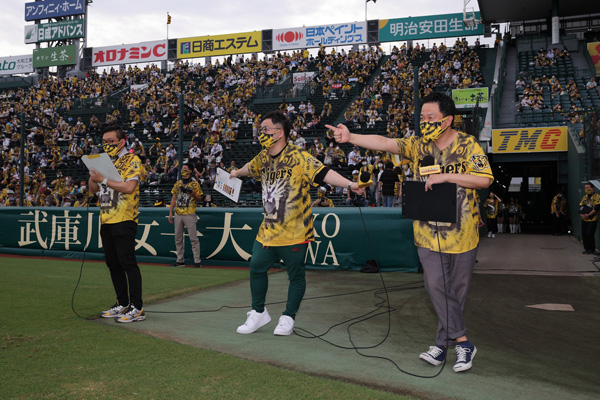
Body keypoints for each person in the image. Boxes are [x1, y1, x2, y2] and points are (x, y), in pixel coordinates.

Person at [327, 92, 493, 373]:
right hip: (426, 231)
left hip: (463, 231)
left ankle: (442, 345)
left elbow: (484, 179)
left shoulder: (468, 144)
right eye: (422, 117)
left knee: (456, 292)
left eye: (431, 117)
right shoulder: (417, 144)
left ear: (447, 120)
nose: (424, 122)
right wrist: (351, 136)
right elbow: (385, 143)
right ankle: (463, 342)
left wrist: (446, 176)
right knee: (435, 286)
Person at [230, 110, 363, 336]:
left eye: (265, 129)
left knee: (296, 276)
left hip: (295, 231)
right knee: (256, 267)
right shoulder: (263, 157)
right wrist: (235, 173)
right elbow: (248, 168)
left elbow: (324, 173)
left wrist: (350, 185)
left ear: (280, 133)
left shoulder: (298, 156)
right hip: (268, 230)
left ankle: (288, 316)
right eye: (260, 130)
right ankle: (258, 312)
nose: (261, 133)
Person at [88, 124, 145, 323]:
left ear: (122, 142)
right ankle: (122, 303)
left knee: (127, 262)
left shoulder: (132, 159)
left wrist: (103, 179)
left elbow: (129, 187)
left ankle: (137, 307)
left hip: (125, 217)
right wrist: (94, 175)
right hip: (106, 218)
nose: (107, 145)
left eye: (111, 141)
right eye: (104, 142)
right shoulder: (106, 161)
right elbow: (93, 190)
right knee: (113, 264)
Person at [168, 163, 203, 268]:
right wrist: (170, 212)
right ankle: (180, 260)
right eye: (182, 168)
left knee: (193, 238)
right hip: (178, 213)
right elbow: (174, 198)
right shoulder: (178, 183)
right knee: (178, 238)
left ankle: (197, 261)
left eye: (185, 168)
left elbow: (200, 198)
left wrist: (192, 194)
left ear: (190, 171)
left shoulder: (195, 184)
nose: (183, 170)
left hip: (190, 213)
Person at [579, 183, 600, 254]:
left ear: (592, 188)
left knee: (590, 233)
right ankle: (587, 248)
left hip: (592, 219)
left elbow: (596, 208)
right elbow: (581, 207)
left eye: (588, 188)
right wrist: (582, 215)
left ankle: (592, 249)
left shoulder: (597, 196)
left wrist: (588, 215)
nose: (586, 189)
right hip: (584, 219)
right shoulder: (584, 197)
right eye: (585, 188)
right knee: (584, 234)